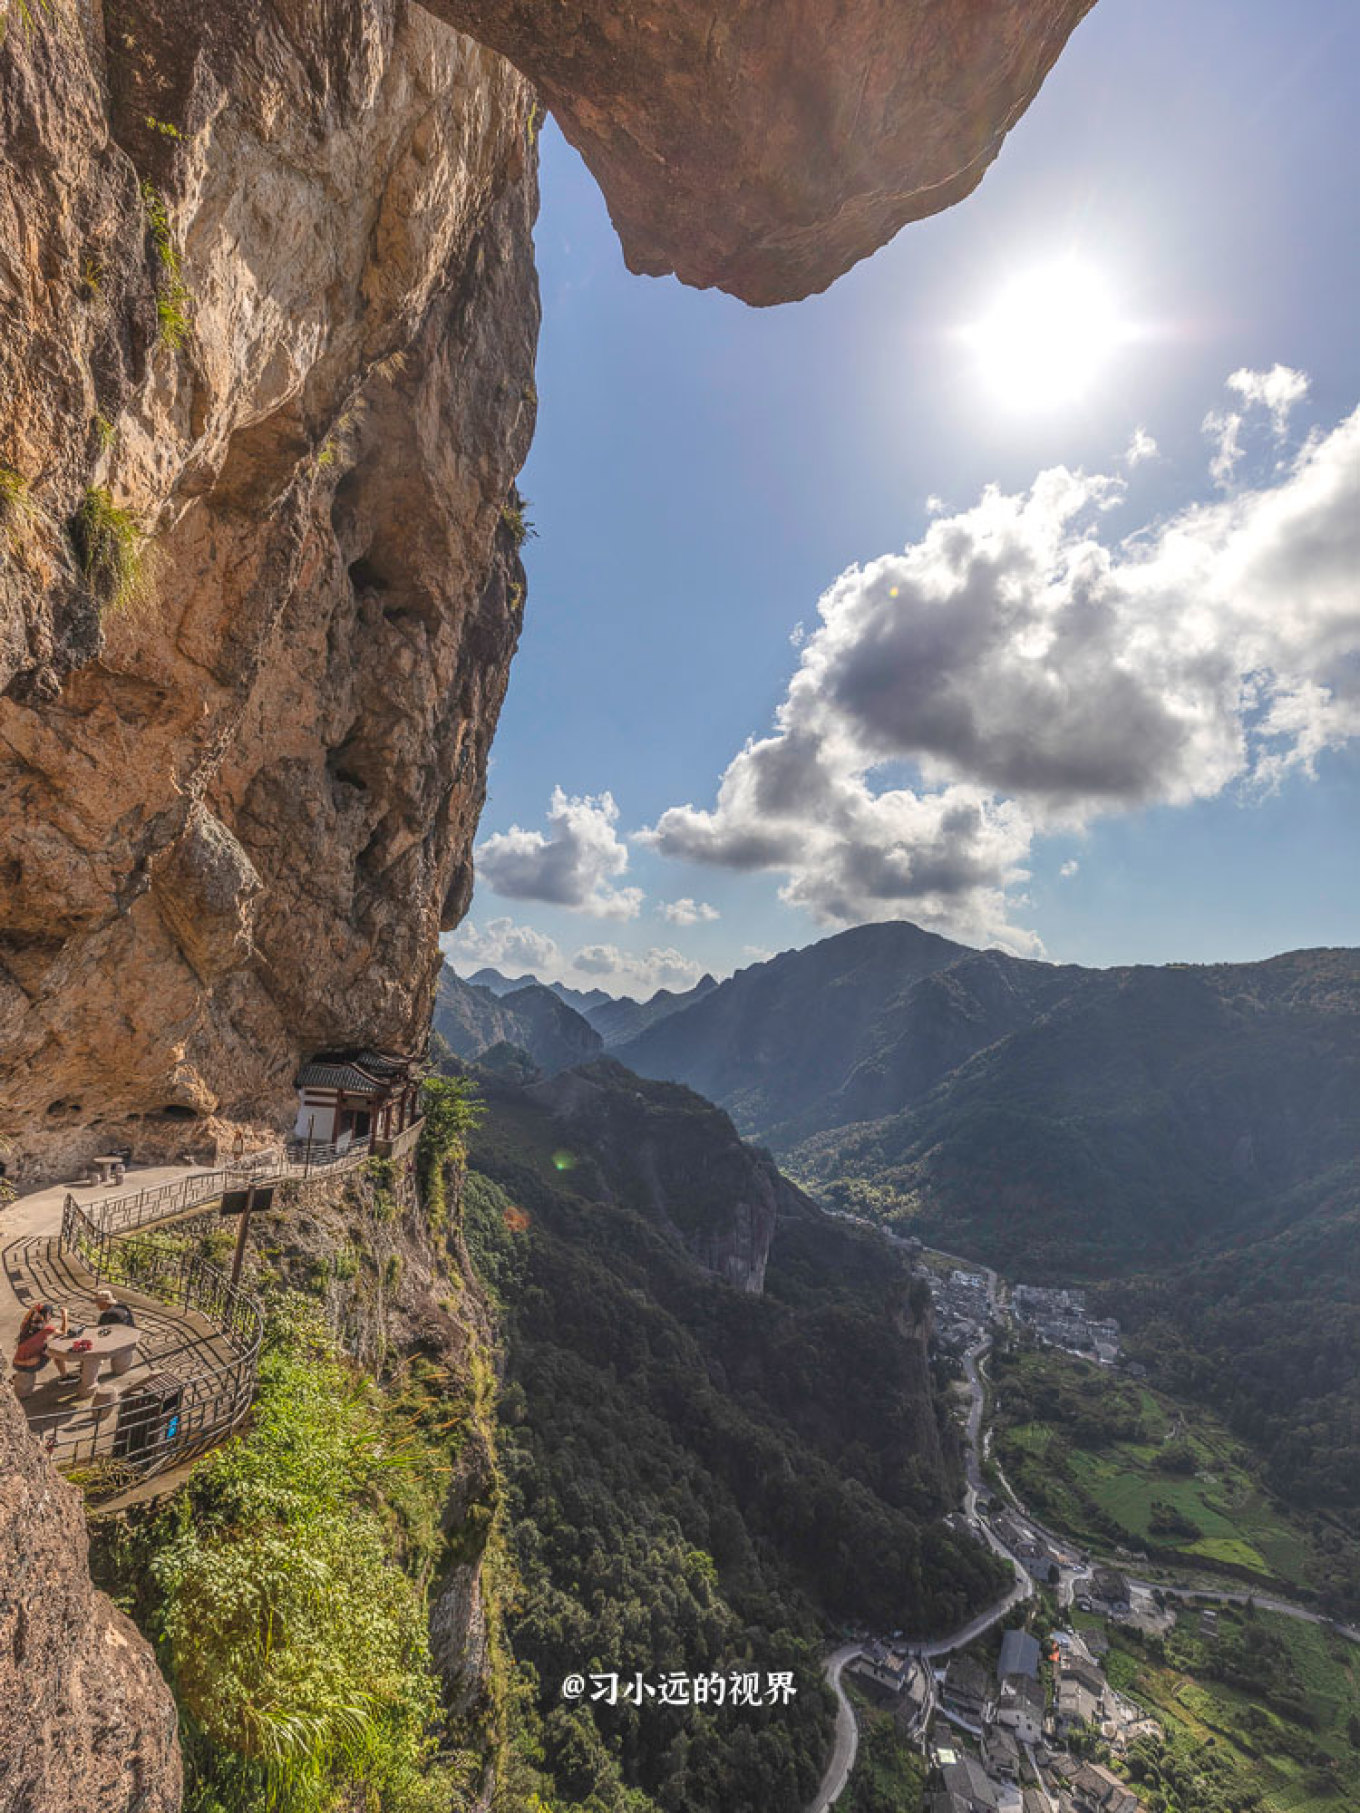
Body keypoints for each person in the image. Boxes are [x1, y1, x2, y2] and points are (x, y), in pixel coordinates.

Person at [13, 1301, 69, 1380]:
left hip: (16, 1364)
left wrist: (34, 1308)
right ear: (48, 1315)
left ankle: (18, 1375)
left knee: (34, 1348)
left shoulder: (25, 1325)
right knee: (56, 1352)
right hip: (29, 1366)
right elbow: (63, 1332)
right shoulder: (47, 1329)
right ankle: (65, 1377)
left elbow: (27, 1316)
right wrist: (65, 1315)